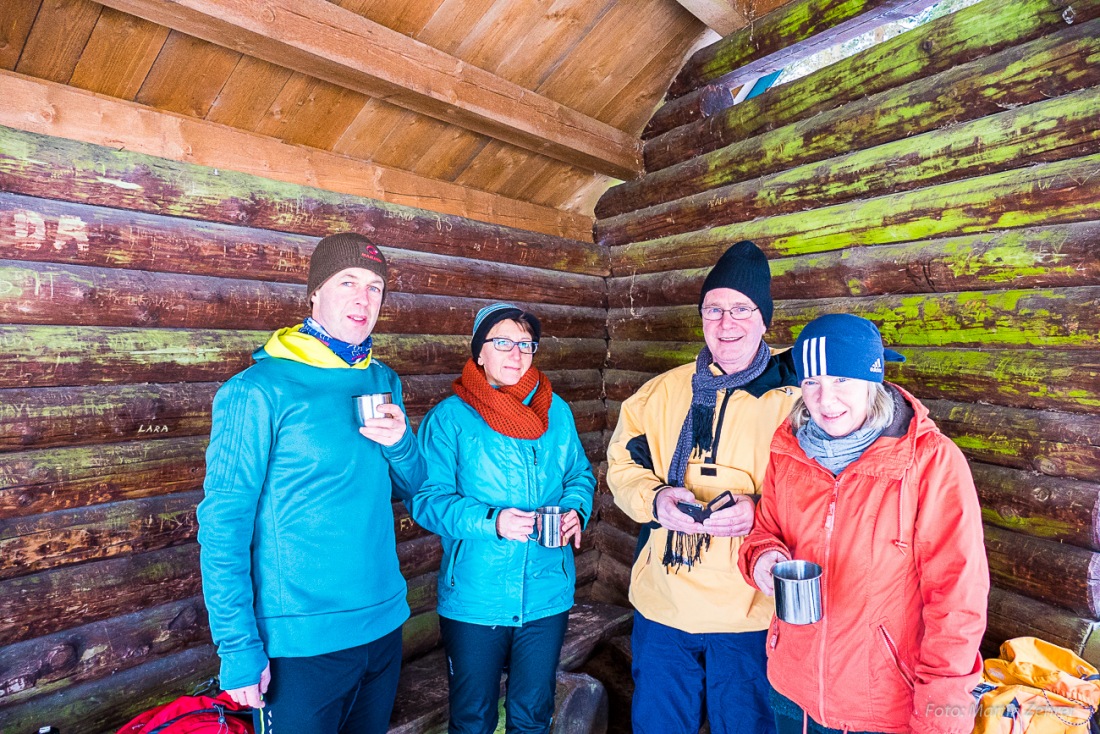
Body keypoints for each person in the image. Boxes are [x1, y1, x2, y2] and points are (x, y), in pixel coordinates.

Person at [197, 232, 426, 734]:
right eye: (348, 282)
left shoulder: (382, 380)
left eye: (375, 288)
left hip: (383, 623)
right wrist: (237, 647)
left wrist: (402, 442)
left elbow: (417, 487)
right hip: (300, 643)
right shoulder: (256, 390)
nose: (363, 299)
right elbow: (223, 526)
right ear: (314, 293)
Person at [738, 313, 988, 734]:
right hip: (792, 692)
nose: (825, 399)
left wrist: (940, 720)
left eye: (841, 380)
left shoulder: (930, 461)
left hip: (883, 707)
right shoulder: (789, 450)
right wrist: (764, 558)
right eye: (812, 382)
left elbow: (957, 597)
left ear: (871, 381)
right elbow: (765, 532)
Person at [606, 240, 800, 734]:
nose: (726, 323)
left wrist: (759, 509)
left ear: (765, 320)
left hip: (749, 610)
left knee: (748, 726)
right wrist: (656, 499)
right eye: (713, 309)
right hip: (664, 602)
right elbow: (622, 467)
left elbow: (817, 487)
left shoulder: (792, 397)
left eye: (741, 309)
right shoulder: (662, 392)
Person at [410, 302, 596, 734]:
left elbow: (579, 475)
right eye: (503, 342)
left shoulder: (558, 412)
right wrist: (492, 522)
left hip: (546, 592)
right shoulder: (450, 419)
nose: (516, 354)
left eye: (526, 345)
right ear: (479, 353)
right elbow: (427, 500)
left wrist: (575, 510)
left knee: (532, 715)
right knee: (473, 718)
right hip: (476, 597)